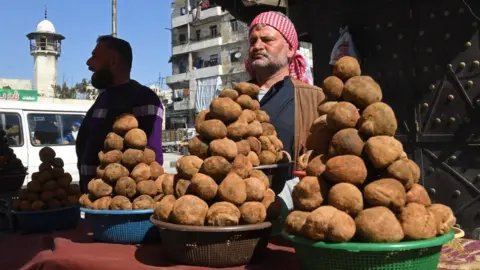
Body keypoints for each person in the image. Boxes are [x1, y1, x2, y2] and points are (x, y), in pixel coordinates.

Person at [245, 11, 325, 208]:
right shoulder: (236, 99)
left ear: (290, 48)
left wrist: (287, 197)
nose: (257, 46)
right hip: (241, 208)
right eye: (253, 40)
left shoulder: (314, 98)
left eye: (267, 39)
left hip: (294, 209)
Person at [76, 35, 163, 192]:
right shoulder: (102, 99)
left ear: (113, 61)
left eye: (95, 56)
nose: (88, 62)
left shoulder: (144, 98)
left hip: (119, 206)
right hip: (93, 200)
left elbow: (151, 158)